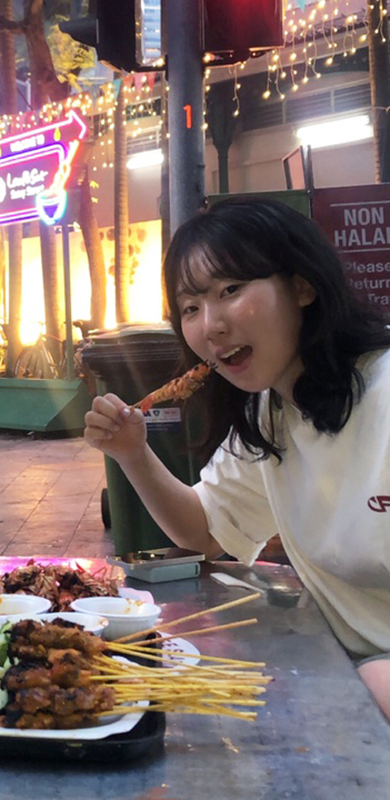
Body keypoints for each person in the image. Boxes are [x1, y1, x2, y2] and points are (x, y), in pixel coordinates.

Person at [84, 198, 390, 718]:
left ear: (302, 286)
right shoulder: (270, 412)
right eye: (190, 307)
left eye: (230, 290)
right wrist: (132, 454)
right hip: (350, 679)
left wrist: (366, 682)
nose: (210, 325)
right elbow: (206, 530)